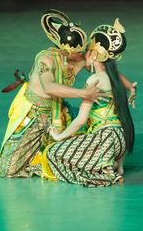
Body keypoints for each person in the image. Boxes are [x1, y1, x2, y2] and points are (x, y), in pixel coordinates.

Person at [0, 10, 136, 179]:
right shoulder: (45, 60)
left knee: (85, 128)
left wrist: (130, 86)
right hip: (35, 114)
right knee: (8, 169)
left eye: (80, 52)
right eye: (74, 53)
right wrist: (84, 93)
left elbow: (106, 67)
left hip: (59, 113)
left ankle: (65, 156)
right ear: (62, 49)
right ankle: (41, 158)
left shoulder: (78, 56)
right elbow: (49, 87)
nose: (78, 56)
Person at [42, 19, 135, 187]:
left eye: (88, 51)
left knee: (53, 154)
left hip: (104, 140)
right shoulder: (116, 81)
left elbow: (81, 120)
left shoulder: (94, 80)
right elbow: (122, 120)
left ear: (94, 54)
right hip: (120, 141)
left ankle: (103, 172)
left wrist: (58, 136)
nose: (85, 55)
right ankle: (115, 166)